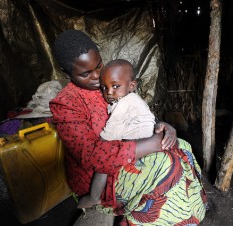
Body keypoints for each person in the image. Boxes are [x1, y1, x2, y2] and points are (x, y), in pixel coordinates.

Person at [49, 29, 207, 225]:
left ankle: (190, 211)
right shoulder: (66, 104)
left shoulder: (109, 80)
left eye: (99, 65)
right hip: (99, 180)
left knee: (182, 147)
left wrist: (161, 126)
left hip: (126, 150)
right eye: (86, 73)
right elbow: (91, 155)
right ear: (66, 73)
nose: (98, 76)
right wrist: (150, 144)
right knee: (167, 167)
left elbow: (134, 111)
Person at [77, 59, 156, 209]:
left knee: (103, 162)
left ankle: (93, 197)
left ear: (132, 86)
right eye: (104, 88)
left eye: (115, 86)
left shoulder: (125, 103)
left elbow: (109, 135)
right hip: (143, 142)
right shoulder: (130, 99)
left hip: (140, 145)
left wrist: (97, 145)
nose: (109, 93)